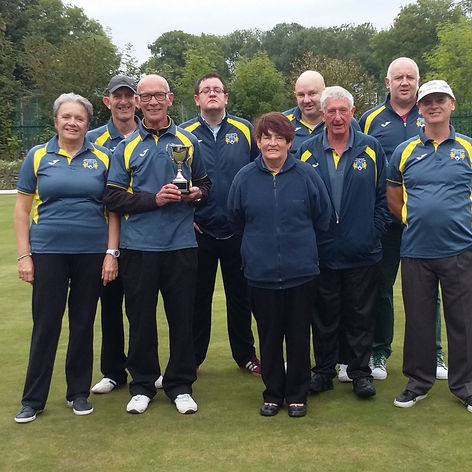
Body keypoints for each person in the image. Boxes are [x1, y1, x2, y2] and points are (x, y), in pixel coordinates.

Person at [104, 74, 211, 415]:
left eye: (158, 95)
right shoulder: (125, 147)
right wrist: (155, 200)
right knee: (140, 319)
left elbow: (206, 186)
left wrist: (196, 194)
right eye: (146, 96)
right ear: (137, 102)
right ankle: (142, 385)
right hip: (138, 247)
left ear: (170, 98)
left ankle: (180, 384)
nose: (152, 102)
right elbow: (112, 197)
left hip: (180, 245)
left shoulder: (188, 141)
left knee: (182, 318)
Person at [14, 93, 119, 423]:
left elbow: (113, 210)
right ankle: (33, 399)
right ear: (56, 120)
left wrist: (111, 253)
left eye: (79, 118)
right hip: (48, 252)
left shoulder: (103, 157)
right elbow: (22, 209)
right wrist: (24, 256)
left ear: (88, 124)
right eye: (66, 117)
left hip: (91, 252)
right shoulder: (38, 156)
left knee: (83, 323)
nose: (73, 123)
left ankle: (78, 393)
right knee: (46, 324)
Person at [228, 112, 331, 417]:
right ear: (258, 141)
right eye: (266, 137)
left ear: (289, 141)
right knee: (269, 337)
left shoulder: (306, 175)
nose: (272, 143)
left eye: (279, 137)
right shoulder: (244, 177)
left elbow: (323, 217)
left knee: (299, 336)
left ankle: (298, 394)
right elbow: (235, 220)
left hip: (302, 273)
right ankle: (273, 393)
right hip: (260, 275)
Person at [297, 86, 389, 398]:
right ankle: (323, 372)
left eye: (343, 111)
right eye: (331, 111)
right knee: (323, 316)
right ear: (322, 115)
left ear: (352, 112)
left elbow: (383, 198)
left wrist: (372, 233)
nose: (337, 117)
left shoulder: (371, 147)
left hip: (362, 251)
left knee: (361, 316)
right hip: (322, 252)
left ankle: (360, 373)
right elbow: (302, 199)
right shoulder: (306, 150)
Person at [359, 57, 448, 381]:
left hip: (423, 225)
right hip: (385, 223)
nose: (405, 82)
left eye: (411, 77)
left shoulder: (431, 114)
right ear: (388, 82)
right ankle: (379, 351)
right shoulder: (369, 119)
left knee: (428, 291)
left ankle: (433, 353)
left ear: (418, 82)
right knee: (380, 288)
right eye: (399, 77)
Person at [388, 80, 472, 413]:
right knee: (419, 321)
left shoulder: (467, 148)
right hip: (416, 250)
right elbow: (393, 196)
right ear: (419, 109)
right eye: (427, 102)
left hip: (460, 249)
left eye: (440, 100)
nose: (433, 106)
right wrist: (411, 219)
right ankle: (418, 383)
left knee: (463, 321)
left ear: (452, 104)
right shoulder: (404, 150)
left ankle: (465, 386)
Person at [87, 75, 165, 394]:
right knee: (110, 305)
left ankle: (145, 370)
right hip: (102, 237)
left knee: (140, 308)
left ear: (136, 101)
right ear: (107, 101)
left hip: (139, 237)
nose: (123, 102)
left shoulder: (150, 135)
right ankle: (113, 371)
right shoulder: (92, 139)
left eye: (128, 96)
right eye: (116, 96)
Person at [180, 73, 260, 375]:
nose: (212, 93)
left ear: (226, 97)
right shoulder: (184, 134)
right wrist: (185, 217)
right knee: (197, 298)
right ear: (196, 99)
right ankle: (193, 357)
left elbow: (258, 171)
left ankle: (245, 354)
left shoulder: (245, 129)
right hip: (198, 229)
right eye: (206, 90)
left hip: (238, 230)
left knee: (242, 297)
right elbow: (174, 179)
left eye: (217, 89)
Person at [284, 70, 326, 150]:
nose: (306, 100)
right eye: (301, 95)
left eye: (312, 94)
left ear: (324, 93)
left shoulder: (341, 122)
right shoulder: (282, 123)